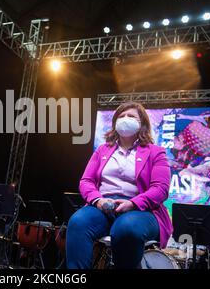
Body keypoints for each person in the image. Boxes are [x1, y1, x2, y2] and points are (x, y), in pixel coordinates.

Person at [66, 101, 173, 269]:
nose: (125, 119)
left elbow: (160, 189)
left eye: (131, 116)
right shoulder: (102, 150)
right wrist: (98, 201)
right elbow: (86, 181)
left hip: (141, 211)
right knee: (78, 222)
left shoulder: (156, 152)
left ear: (142, 124)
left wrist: (132, 203)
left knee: (125, 228)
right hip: (103, 207)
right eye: (121, 116)